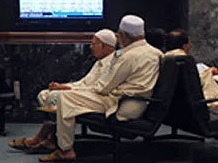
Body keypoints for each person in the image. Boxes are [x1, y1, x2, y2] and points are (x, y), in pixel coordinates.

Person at [39, 15, 163, 162]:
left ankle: (65, 150)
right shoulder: (157, 53)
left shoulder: (127, 56)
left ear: (123, 35)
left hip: (122, 103)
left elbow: (104, 88)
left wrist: (72, 91)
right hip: (140, 103)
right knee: (66, 96)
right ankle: (54, 139)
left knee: (65, 97)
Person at [7, 29, 116, 154]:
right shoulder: (99, 62)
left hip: (97, 98)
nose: (91, 47)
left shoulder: (114, 64)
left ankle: (41, 138)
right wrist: (63, 86)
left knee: (57, 97)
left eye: (94, 44)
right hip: (82, 94)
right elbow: (83, 83)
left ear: (107, 47)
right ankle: (50, 138)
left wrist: (66, 89)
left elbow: (98, 88)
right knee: (44, 94)